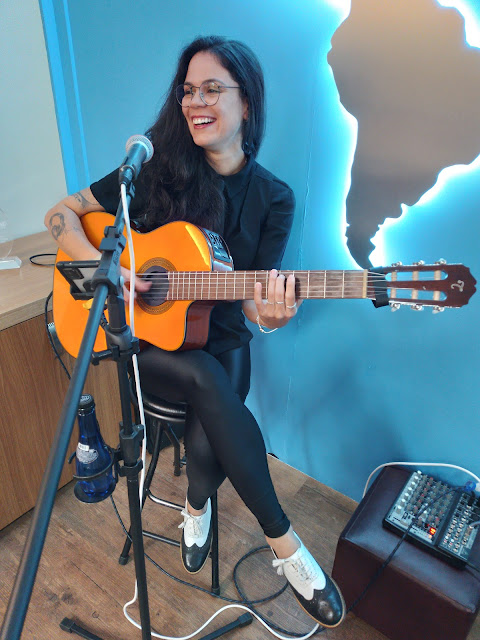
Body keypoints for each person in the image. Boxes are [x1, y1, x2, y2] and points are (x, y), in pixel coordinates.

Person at [45, 35, 345, 628]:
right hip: (142, 341)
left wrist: (273, 315)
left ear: (247, 103)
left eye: (212, 89)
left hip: (221, 335)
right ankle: (286, 545)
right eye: (188, 90)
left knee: (211, 428)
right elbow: (61, 212)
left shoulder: (274, 197)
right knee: (209, 381)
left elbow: (255, 306)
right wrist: (103, 265)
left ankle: (196, 503)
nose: (195, 102)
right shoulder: (156, 168)